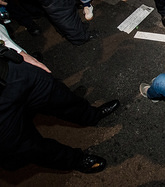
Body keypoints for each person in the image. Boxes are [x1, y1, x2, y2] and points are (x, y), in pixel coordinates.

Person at [0, 24, 120, 173]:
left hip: (10, 71)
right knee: (25, 147)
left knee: (59, 96)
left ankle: (91, 116)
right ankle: (75, 160)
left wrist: (16, 50)